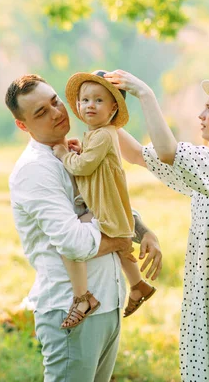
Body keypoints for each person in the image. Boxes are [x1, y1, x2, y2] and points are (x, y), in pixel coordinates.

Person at [104, 70, 209, 382]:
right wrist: (104, 114)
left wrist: (145, 93)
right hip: (207, 304)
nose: (200, 114)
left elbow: (168, 151)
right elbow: (140, 155)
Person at [5, 73, 162, 382]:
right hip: (70, 311)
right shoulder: (36, 170)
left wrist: (143, 232)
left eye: (55, 102)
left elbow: (107, 202)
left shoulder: (79, 151)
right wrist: (120, 242)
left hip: (109, 303)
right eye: (41, 112)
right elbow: (74, 242)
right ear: (23, 126)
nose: (56, 112)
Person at [52, 70, 156, 329]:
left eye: (99, 101)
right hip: (108, 205)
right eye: (85, 100)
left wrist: (65, 154)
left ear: (112, 109)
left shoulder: (103, 134)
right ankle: (139, 285)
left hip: (104, 208)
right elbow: (93, 160)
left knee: (71, 245)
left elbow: (84, 167)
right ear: (77, 105)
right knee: (122, 249)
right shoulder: (99, 134)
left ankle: (83, 297)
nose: (90, 105)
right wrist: (80, 150)